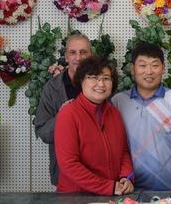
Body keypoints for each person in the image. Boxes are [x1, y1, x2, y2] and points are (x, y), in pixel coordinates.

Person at [111, 43, 171, 192]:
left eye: (154, 65)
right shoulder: (118, 101)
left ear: (163, 68)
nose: (148, 71)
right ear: (133, 69)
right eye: (142, 65)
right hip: (128, 187)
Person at [55, 56, 134, 195]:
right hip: (76, 196)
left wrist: (126, 178)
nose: (101, 84)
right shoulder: (68, 114)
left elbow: (123, 152)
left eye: (106, 78)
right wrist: (107, 187)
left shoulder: (114, 113)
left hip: (111, 195)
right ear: (81, 80)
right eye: (93, 77)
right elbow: (69, 164)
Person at [33, 33, 92, 186]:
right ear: (66, 56)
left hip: (97, 171)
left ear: (91, 55)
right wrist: (62, 116)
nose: (78, 58)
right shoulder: (52, 88)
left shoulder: (102, 85)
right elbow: (43, 133)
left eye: (83, 52)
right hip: (64, 174)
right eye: (73, 52)